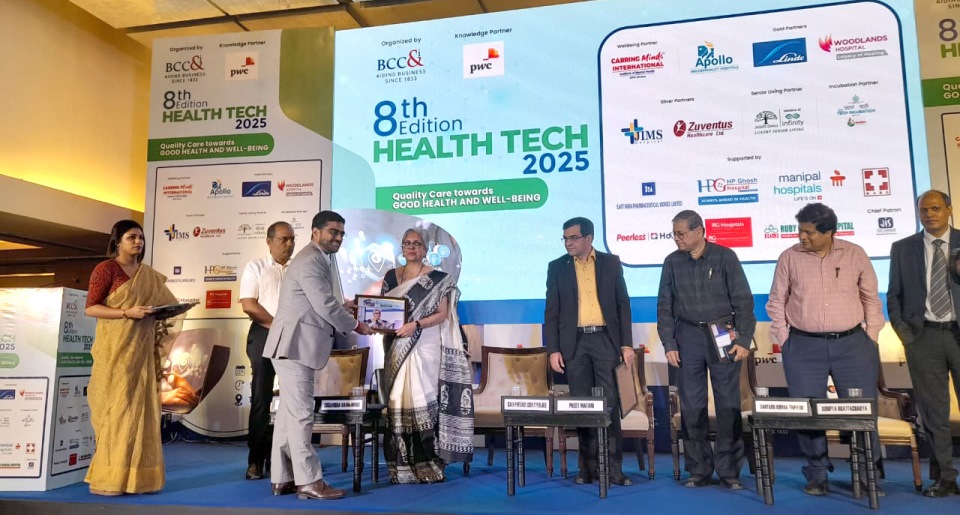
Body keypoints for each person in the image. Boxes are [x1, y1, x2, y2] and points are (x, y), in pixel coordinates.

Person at [766, 203, 884, 496]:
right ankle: (817, 473)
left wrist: (871, 337)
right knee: (808, 411)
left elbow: (871, 298)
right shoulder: (789, 257)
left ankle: (867, 474)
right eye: (800, 230)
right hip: (803, 346)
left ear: (829, 232)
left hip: (853, 345)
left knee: (861, 411)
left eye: (809, 232)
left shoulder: (854, 254)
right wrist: (785, 339)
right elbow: (776, 302)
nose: (802, 237)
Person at [262, 211, 373, 500]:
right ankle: (309, 481)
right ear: (315, 232)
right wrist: (356, 324)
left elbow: (315, 303)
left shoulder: (316, 259)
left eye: (341, 233)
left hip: (292, 346)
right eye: (333, 232)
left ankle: (283, 478)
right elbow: (324, 304)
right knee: (301, 416)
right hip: (295, 346)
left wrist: (343, 308)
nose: (338, 237)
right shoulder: (312, 259)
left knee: (288, 415)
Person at [657, 210, 755, 490]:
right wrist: (669, 343)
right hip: (687, 335)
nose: (676, 238)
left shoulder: (725, 257)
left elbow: (743, 301)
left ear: (699, 231)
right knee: (692, 405)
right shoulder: (672, 262)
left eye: (681, 233)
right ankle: (698, 469)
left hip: (722, 332)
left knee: (727, 403)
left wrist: (744, 339)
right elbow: (664, 307)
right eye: (674, 234)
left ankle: (729, 471)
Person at [84, 220, 178, 496]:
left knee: (141, 413)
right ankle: (110, 479)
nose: (138, 242)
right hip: (115, 352)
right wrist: (127, 313)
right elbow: (91, 308)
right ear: (117, 242)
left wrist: (164, 311)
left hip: (142, 352)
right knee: (117, 411)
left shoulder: (148, 275)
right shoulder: (106, 269)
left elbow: (165, 305)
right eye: (131, 237)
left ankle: (139, 479)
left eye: (141, 238)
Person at [545, 217, 635, 486]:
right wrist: (553, 349)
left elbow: (623, 304)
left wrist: (626, 344)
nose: (568, 243)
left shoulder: (610, 263)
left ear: (589, 238)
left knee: (610, 403)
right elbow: (552, 311)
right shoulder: (557, 267)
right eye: (565, 238)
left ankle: (613, 468)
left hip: (605, 339)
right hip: (574, 343)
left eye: (573, 238)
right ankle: (587, 468)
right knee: (581, 405)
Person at [380, 228, 474, 483]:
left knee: (423, 398)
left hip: (425, 343)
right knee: (398, 401)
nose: (411, 247)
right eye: (407, 243)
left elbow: (442, 314)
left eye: (417, 244)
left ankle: (429, 464)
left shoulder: (438, 278)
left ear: (425, 249)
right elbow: (384, 310)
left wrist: (416, 324)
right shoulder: (391, 276)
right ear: (402, 247)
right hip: (397, 344)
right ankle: (402, 467)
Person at [888, 190, 960, 497]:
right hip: (924, 338)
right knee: (933, 412)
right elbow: (894, 295)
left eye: (935, 208)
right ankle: (945, 477)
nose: (929, 214)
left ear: (948, 209)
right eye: (923, 210)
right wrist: (908, 337)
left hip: (958, 333)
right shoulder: (903, 248)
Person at [239, 221, 295, 480]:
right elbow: (249, 305)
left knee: (294, 400)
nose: (289, 244)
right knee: (261, 400)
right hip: (264, 334)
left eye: (292, 239)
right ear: (269, 241)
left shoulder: (299, 268)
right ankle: (256, 460)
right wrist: (277, 326)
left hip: (294, 337)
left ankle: (287, 458)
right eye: (284, 239)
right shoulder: (256, 267)